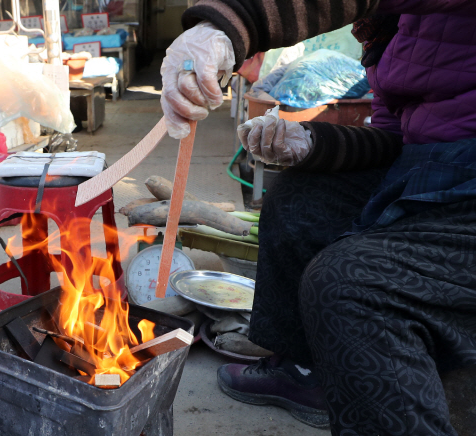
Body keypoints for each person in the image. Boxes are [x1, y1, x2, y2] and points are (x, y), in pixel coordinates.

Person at [160, 0, 476, 434]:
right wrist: (312, 142)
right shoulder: (395, 29)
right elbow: (393, 138)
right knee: (295, 199)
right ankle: (305, 371)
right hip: (427, 166)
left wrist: (236, 23)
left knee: (347, 283)